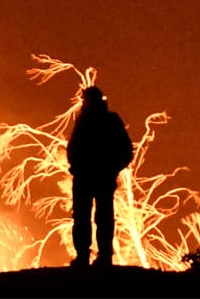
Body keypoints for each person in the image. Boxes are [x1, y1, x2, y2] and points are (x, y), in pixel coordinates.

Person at [67, 85, 134, 267]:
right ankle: (89, 256)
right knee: (86, 216)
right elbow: (73, 147)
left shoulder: (106, 121)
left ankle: (99, 256)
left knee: (98, 217)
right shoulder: (90, 120)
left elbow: (126, 151)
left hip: (96, 177)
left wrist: (112, 168)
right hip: (90, 177)